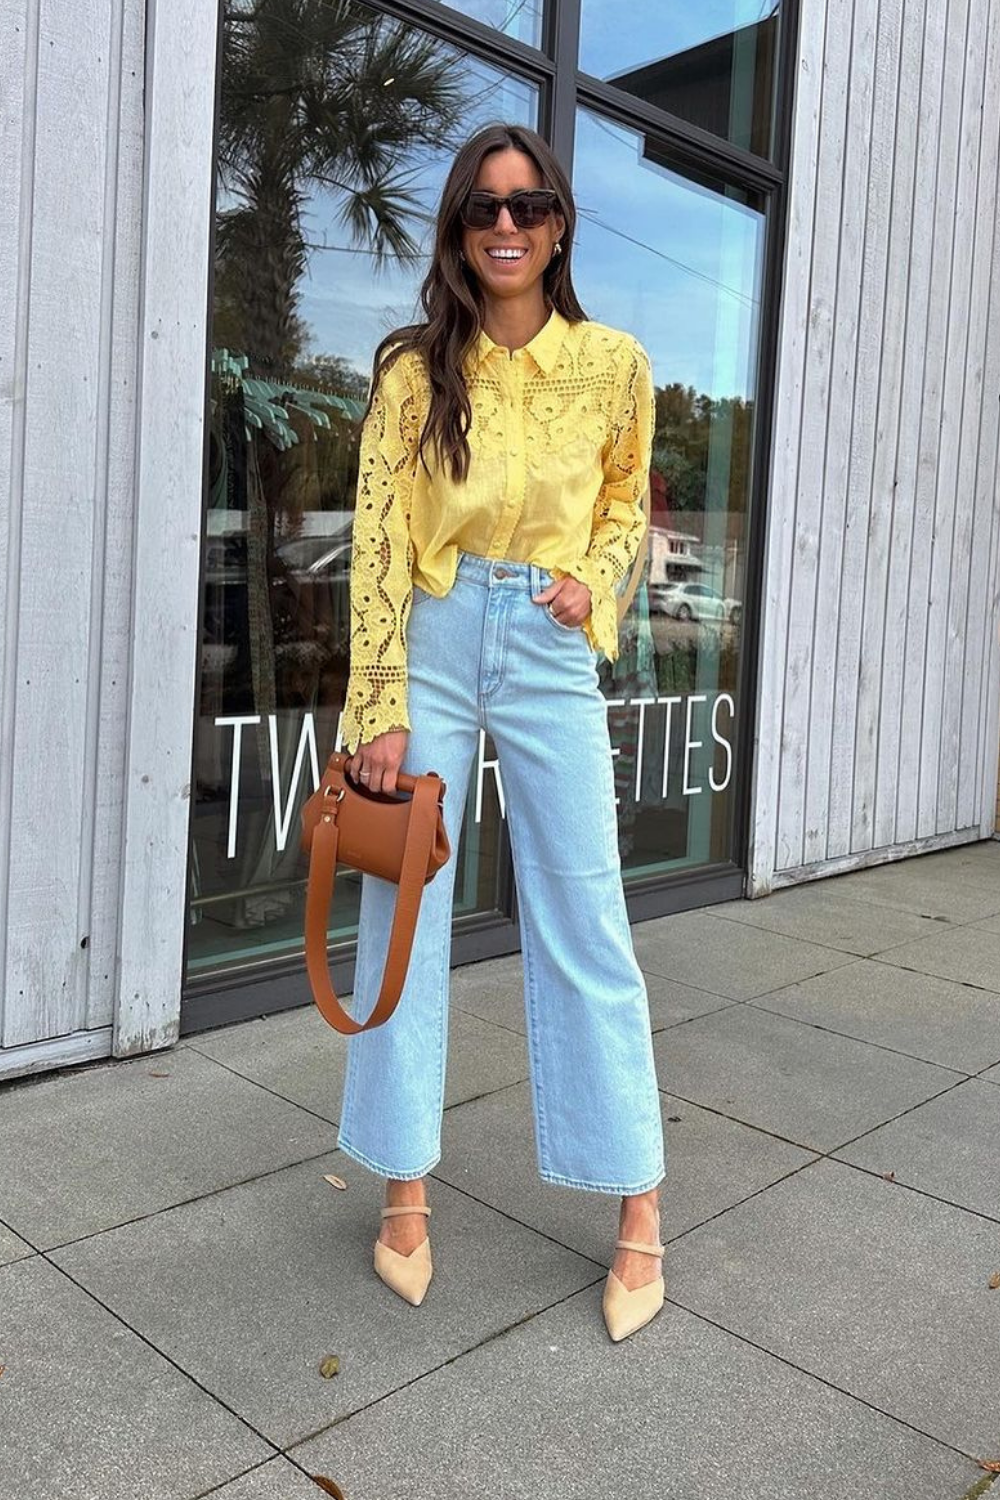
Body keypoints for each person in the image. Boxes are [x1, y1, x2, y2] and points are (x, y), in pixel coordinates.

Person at [338, 123, 665, 1343]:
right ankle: (403, 1189)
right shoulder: (416, 371)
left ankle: (637, 1211)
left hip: (543, 636)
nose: (506, 227)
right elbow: (377, 531)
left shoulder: (615, 363)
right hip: (430, 630)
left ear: (560, 225)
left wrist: (597, 579)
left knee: (586, 913)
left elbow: (629, 494)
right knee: (403, 915)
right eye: (483, 209)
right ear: (459, 232)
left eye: (527, 208)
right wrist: (376, 704)